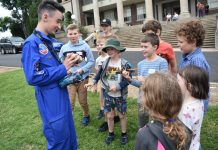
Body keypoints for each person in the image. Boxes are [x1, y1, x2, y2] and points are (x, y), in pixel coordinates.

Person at [21, 0, 77, 149]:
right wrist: (63, 68)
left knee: (70, 139)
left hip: (61, 97)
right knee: (59, 142)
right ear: (45, 16)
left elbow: (52, 66)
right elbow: (32, 76)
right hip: (51, 103)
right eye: (58, 21)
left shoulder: (49, 41)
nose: (59, 26)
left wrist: (68, 64)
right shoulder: (31, 43)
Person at [122, 33, 168, 128]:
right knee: (142, 122)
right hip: (142, 100)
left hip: (157, 100)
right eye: (141, 46)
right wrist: (129, 79)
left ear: (155, 47)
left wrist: (146, 80)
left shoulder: (162, 62)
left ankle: (157, 139)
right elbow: (140, 84)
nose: (142, 49)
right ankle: (143, 136)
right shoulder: (140, 64)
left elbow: (163, 84)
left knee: (158, 123)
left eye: (145, 47)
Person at [135, 72, 191, 150]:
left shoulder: (144, 136)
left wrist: (144, 133)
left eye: (144, 93)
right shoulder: (184, 130)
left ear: (149, 101)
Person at [92, 38, 132, 145]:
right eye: (108, 49)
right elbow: (100, 73)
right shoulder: (105, 62)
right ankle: (111, 133)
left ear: (118, 50)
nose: (109, 51)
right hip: (108, 94)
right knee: (109, 116)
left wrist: (118, 86)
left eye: (112, 49)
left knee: (122, 115)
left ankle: (124, 134)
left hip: (120, 95)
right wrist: (94, 81)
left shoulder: (125, 64)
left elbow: (128, 80)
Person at [59, 24, 95, 126]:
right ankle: (68, 121)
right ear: (67, 35)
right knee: (70, 102)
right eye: (70, 34)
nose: (73, 36)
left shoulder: (85, 46)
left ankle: (86, 115)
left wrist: (82, 70)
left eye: (75, 33)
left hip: (82, 79)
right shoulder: (64, 48)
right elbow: (61, 60)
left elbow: (91, 61)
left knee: (83, 101)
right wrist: (66, 69)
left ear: (79, 34)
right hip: (70, 79)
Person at [175, 20, 211, 112]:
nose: (177, 44)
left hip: (192, 109)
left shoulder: (197, 61)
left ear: (193, 42)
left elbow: (198, 90)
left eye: (181, 42)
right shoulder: (186, 56)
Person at [177, 65, 209, 150]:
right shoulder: (198, 101)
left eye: (178, 80)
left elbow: (181, 138)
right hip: (195, 144)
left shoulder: (186, 111)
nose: (176, 83)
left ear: (189, 86)